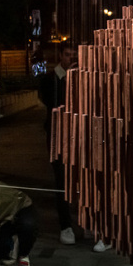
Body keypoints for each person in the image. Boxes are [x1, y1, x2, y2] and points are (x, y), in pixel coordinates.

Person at [38, 45, 111, 251]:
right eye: (68, 54)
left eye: (75, 55)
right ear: (60, 55)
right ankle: (66, 226)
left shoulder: (86, 77)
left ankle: (90, 223)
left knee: (87, 180)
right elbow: (51, 102)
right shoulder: (50, 79)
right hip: (59, 136)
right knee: (62, 181)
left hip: (82, 137)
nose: (72, 58)